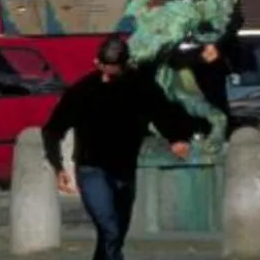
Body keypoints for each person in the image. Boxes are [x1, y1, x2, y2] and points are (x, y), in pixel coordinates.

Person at [44, 36, 202, 260]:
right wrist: (57, 166)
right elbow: (53, 130)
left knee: (114, 233)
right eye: (104, 67)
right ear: (97, 63)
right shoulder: (82, 91)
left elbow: (163, 113)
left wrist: (176, 138)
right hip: (91, 168)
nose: (108, 73)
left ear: (125, 64)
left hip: (125, 169)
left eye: (114, 68)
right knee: (110, 227)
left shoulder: (140, 86)